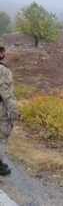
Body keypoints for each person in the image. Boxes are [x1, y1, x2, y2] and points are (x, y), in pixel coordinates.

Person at [0, 46, 20, 175]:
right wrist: (14, 111)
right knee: (1, 136)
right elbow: (6, 94)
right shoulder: (3, 71)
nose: (3, 53)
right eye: (1, 51)